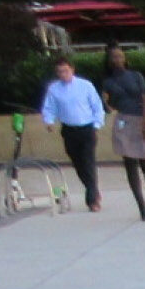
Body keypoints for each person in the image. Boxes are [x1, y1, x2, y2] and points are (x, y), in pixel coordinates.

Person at [98, 44, 145, 221]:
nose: (117, 59)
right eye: (114, 57)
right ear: (109, 61)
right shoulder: (108, 82)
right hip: (123, 121)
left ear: (125, 58)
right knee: (130, 164)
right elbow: (108, 107)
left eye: (120, 56)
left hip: (140, 118)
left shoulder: (136, 76)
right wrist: (105, 102)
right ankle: (142, 206)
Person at [36, 57, 106, 212]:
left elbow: (96, 105)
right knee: (78, 164)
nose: (63, 74)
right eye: (60, 72)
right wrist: (49, 121)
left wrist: (97, 124)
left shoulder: (85, 86)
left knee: (88, 161)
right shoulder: (54, 89)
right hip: (69, 129)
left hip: (86, 128)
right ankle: (93, 188)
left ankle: (92, 199)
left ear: (72, 70)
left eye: (66, 71)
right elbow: (49, 107)